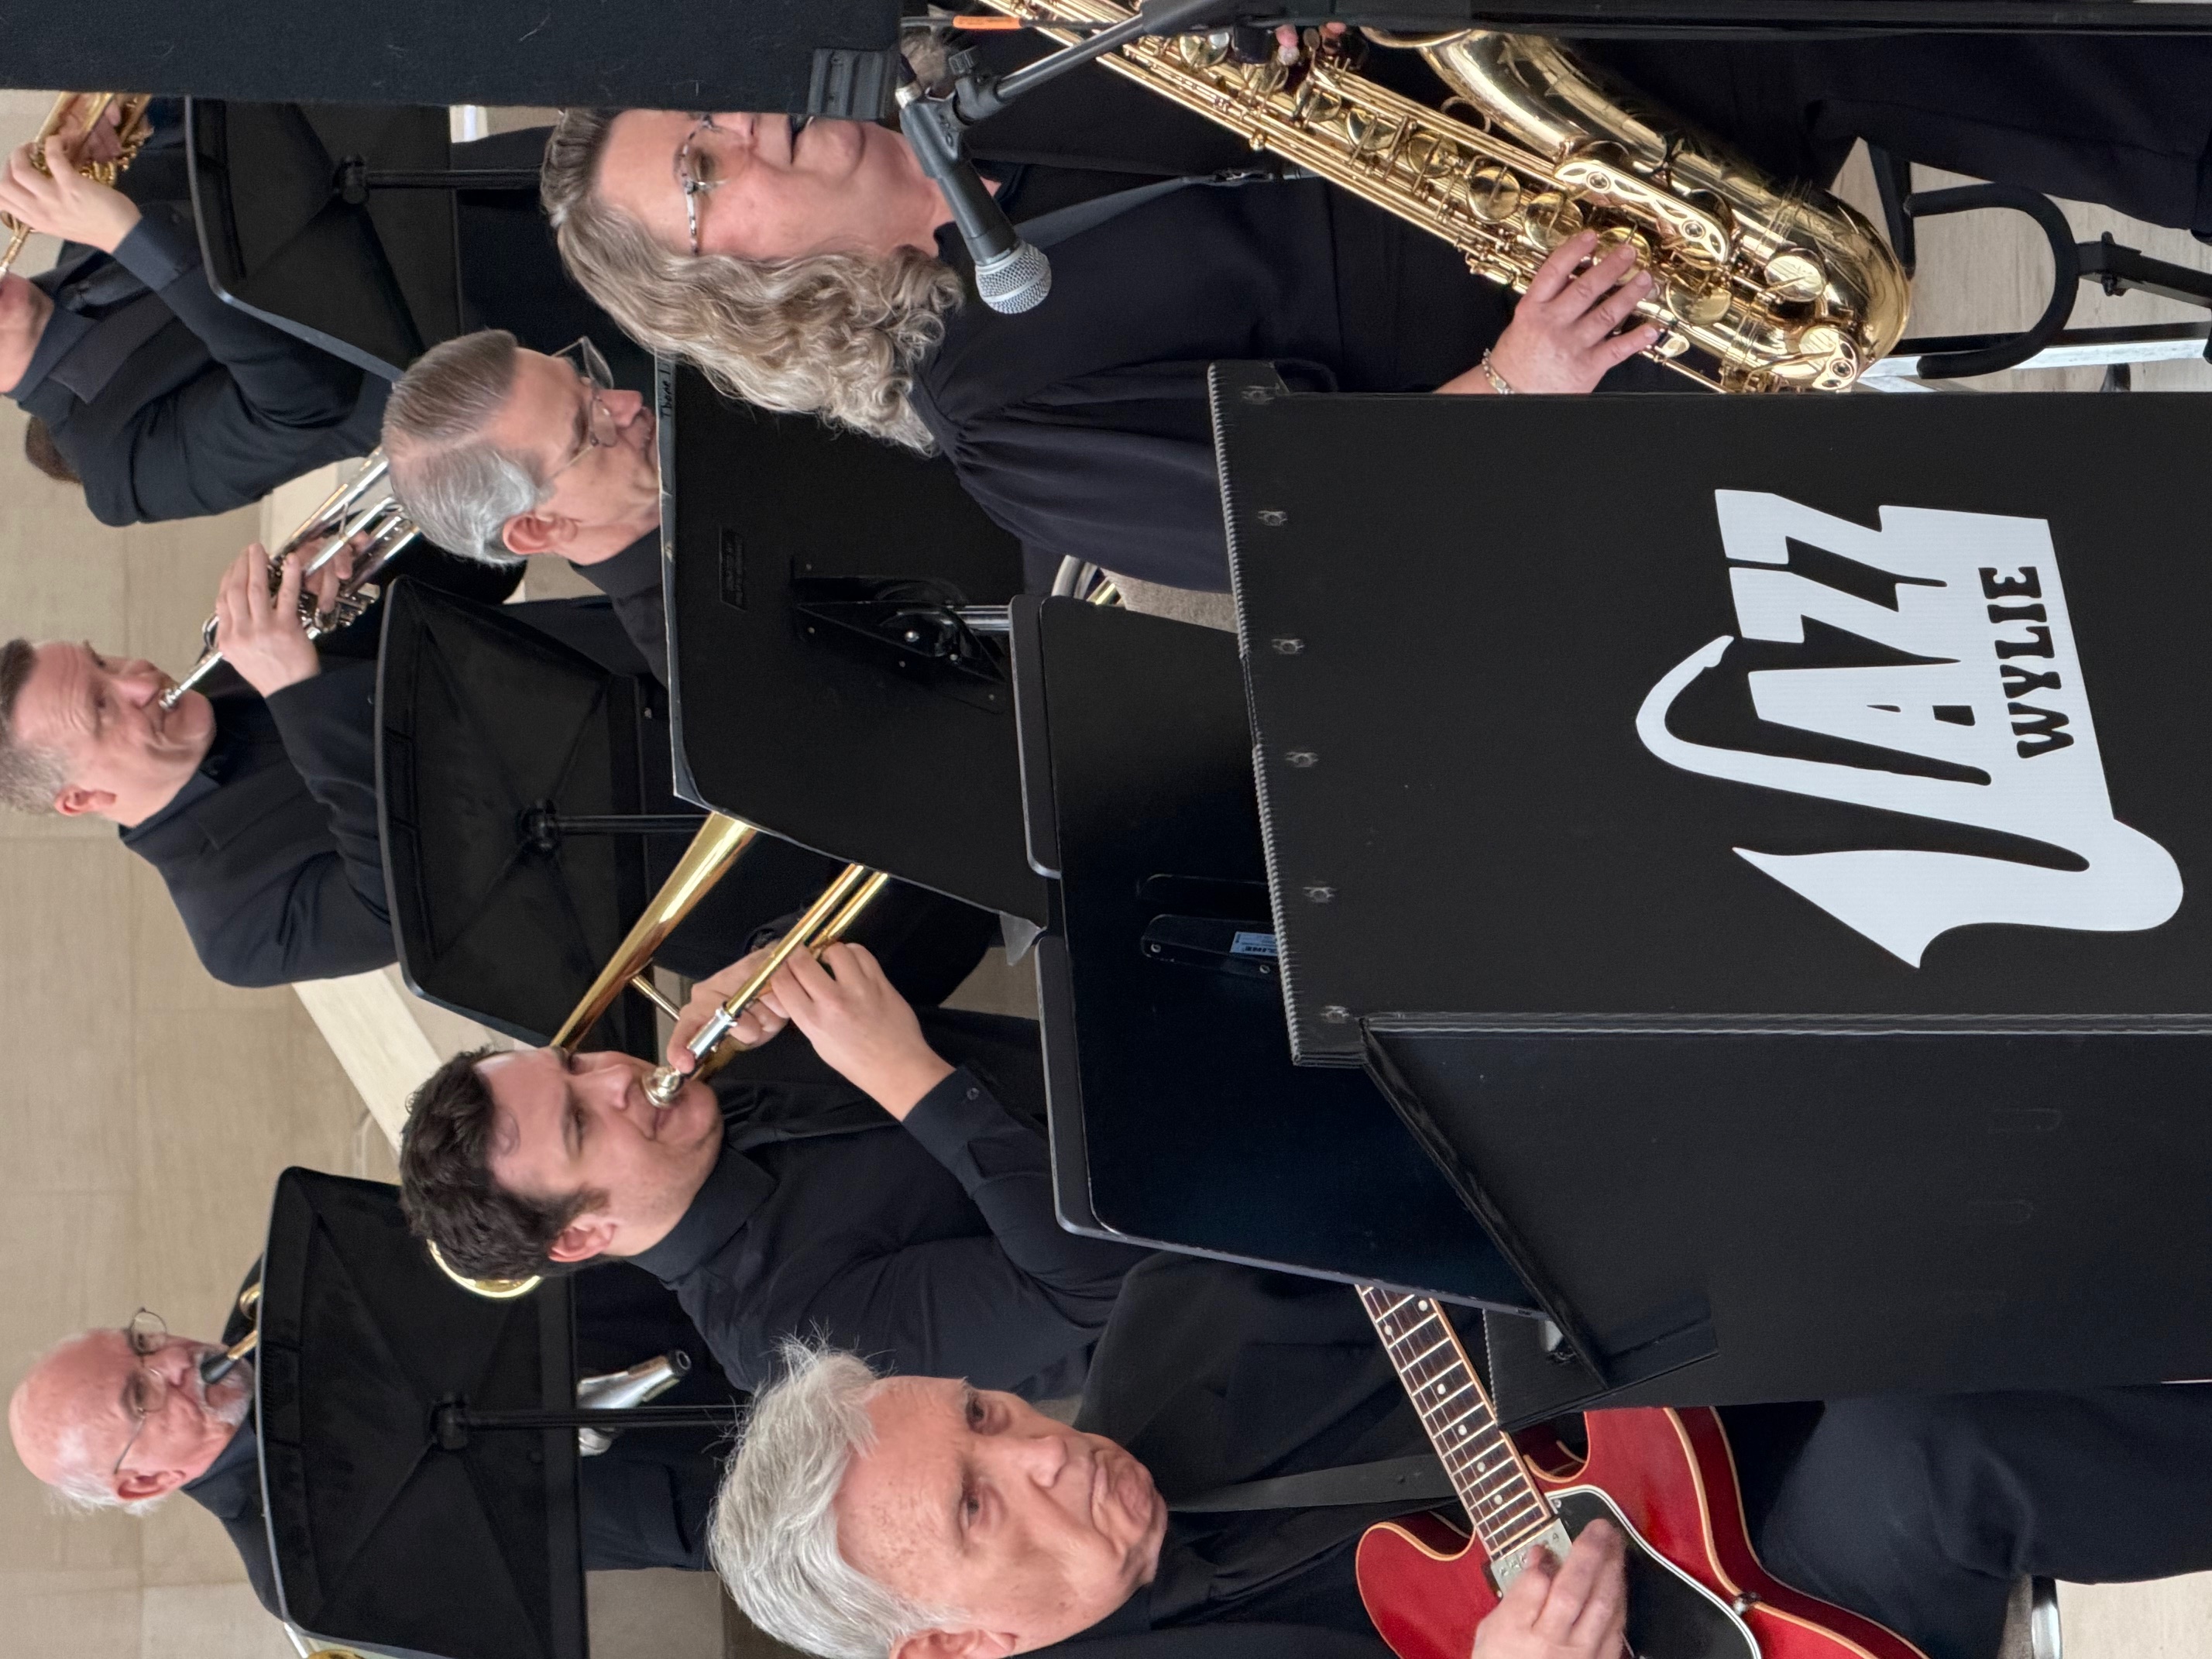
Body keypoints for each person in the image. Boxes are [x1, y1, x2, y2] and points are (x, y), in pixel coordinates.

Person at [541, 29, 2212, 593]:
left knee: (1961, 48)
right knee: (1982, 73)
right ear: (719, 283)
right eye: (698, 174)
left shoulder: (980, 80)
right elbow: (1306, 525)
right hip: (1608, 324)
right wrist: (1516, 381)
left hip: (1569, 112)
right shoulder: (995, 421)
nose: (743, 125)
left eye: (713, 100)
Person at [713, 1253, 2212, 1659]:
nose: (1043, 1451)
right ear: (952, 1651)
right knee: (1927, 1455)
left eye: (987, 1412)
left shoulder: (1181, 1325)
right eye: (979, 1502)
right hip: (1781, 1618)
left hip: (1723, 1446)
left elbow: (1453, 1227)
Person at [397, 937, 1147, 1401]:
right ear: (580, 1236)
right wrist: (907, 1077)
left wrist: (789, 959)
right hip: (1235, 1246)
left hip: (1156, 1061)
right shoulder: (788, 1346)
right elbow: (1098, 1274)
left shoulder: (731, 1072)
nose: (616, 1077)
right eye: (580, 1123)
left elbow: (942, 921)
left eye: (575, 1064)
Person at [6, 1262, 744, 1605]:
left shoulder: (286, 1275)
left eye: (141, 1344)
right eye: (142, 1393)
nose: (172, 1359)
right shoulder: (298, 1570)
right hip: (700, 1480)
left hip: (687, 1300)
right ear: (144, 1482)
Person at [0, 539, 392, 986]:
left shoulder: (233, 664)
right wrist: (301, 696)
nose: (140, 679)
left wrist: (350, 568)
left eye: (103, 661)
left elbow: (447, 595)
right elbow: (405, 907)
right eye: (102, 707)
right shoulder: (238, 932)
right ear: (84, 796)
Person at [0, 100, 385, 525]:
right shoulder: (117, 473)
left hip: (418, 176)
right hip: (442, 343)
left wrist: (138, 122)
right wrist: (128, 236)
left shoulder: (84, 219)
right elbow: (305, 401)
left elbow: (230, 130)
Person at [380, 328, 671, 680]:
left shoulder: (683, 401)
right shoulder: (698, 646)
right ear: (538, 528)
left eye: (587, 381)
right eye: (586, 429)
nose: (630, 400)